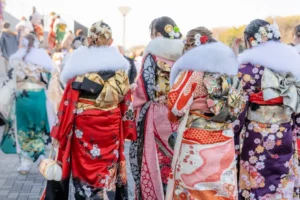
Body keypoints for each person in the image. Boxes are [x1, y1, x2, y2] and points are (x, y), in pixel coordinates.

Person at [41, 20, 136, 200]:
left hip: (84, 125)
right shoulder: (120, 68)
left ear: (89, 40)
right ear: (110, 41)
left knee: (84, 168)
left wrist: (60, 128)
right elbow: (126, 103)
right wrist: (128, 126)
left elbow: (67, 102)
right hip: (111, 124)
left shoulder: (78, 65)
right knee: (108, 169)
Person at [165, 27, 245, 200]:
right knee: (220, 190)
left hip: (197, 140)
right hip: (224, 137)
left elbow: (177, 107)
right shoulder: (228, 70)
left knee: (194, 191)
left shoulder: (193, 70)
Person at [236, 19, 300, 199]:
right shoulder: (291, 65)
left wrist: (234, 135)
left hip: (256, 135)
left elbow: (238, 109)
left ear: (250, 40)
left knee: (255, 183)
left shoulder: (245, 69)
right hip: (284, 131)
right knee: (281, 180)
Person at [129, 16, 184, 200]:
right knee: (176, 156)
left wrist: (134, 102)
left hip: (157, 112)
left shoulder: (153, 53)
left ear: (158, 34)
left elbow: (145, 86)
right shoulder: (185, 53)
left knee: (155, 158)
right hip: (179, 113)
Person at [4, 33, 53, 174]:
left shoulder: (16, 60)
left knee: (23, 130)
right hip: (39, 98)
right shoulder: (43, 60)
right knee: (38, 129)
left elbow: (9, 82)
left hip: (22, 98)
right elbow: (50, 80)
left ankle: (25, 163)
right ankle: (41, 158)